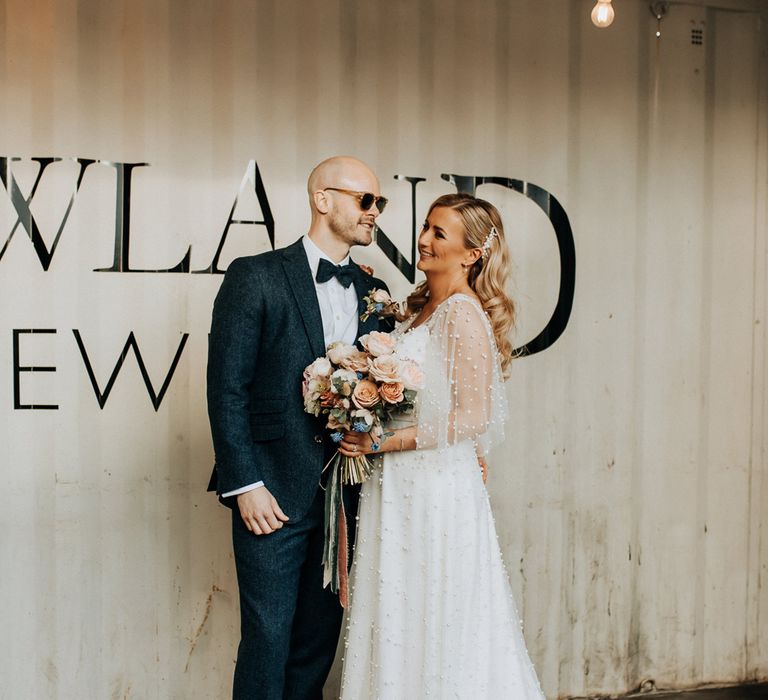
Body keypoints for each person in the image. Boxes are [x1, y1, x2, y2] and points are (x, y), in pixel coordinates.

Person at [337, 193, 546, 698]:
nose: (424, 240)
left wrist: (379, 441)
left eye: (439, 234)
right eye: (426, 227)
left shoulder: (461, 313)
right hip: (402, 484)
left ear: (471, 254)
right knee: (399, 610)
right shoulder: (419, 307)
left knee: (437, 612)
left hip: (434, 488)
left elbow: (473, 417)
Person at [206, 156, 392, 700]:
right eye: (365, 200)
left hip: (347, 496)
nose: (374, 212)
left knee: (317, 642)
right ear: (323, 199)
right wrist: (245, 484)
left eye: (379, 203)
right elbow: (227, 388)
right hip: (271, 494)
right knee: (267, 639)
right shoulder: (255, 276)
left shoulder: (374, 291)